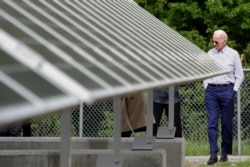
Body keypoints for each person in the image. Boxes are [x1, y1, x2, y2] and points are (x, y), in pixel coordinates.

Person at [203, 30, 244, 165]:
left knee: (226, 123)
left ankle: (225, 153)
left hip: (227, 90)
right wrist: (206, 85)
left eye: (217, 41)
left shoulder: (233, 54)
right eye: (213, 41)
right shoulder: (210, 53)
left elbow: (240, 75)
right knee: (212, 123)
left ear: (224, 41)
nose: (214, 44)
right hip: (211, 91)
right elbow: (205, 72)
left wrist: (233, 90)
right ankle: (213, 153)